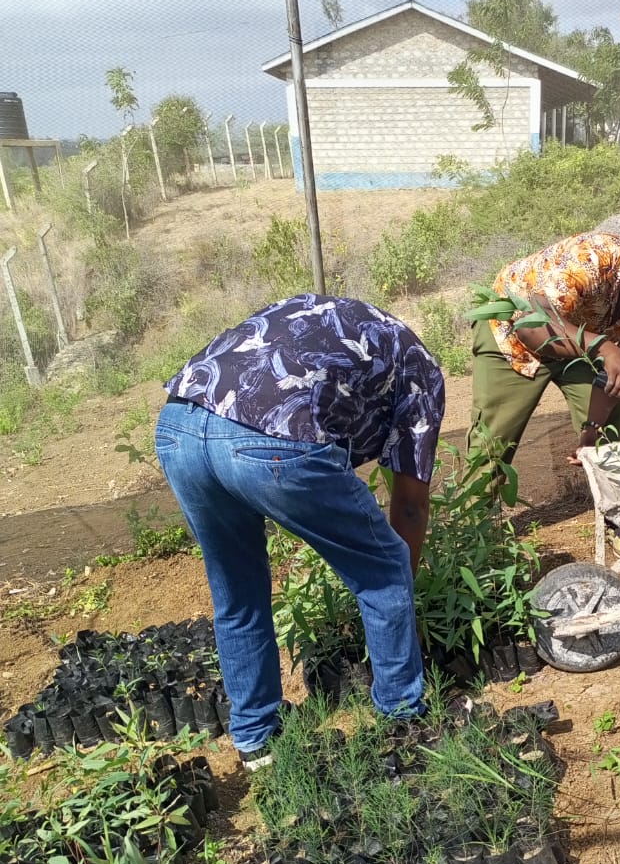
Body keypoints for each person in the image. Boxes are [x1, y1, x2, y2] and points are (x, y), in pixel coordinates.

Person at [155, 293, 445, 771]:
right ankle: (403, 720)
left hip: (180, 425)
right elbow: (410, 508)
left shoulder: (324, 316)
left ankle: (255, 739)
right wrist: (392, 585)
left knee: (238, 592)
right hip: (267, 434)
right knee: (387, 568)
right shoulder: (424, 373)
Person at [468, 219, 620, 467]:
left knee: (612, 437)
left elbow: (611, 379)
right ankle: (476, 506)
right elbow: (531, 328)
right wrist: (604, 347)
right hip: (514, 330)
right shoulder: (589, 260)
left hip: (585, 339)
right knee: (492, 443)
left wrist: (591, 429)